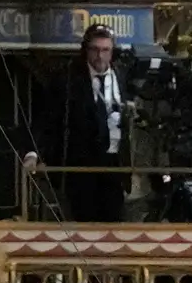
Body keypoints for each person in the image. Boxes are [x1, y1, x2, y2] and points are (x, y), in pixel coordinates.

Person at [30, 24, 134, 223]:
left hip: (115, 167)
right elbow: (47, 120)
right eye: (95, 50)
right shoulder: (67, 79)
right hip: (80, 168)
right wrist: (34, 153)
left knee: (114, 225)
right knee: (84, 225)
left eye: (105, 50)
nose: (100, 56)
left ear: (112, 52)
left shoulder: (121, 76)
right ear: (85, 50)